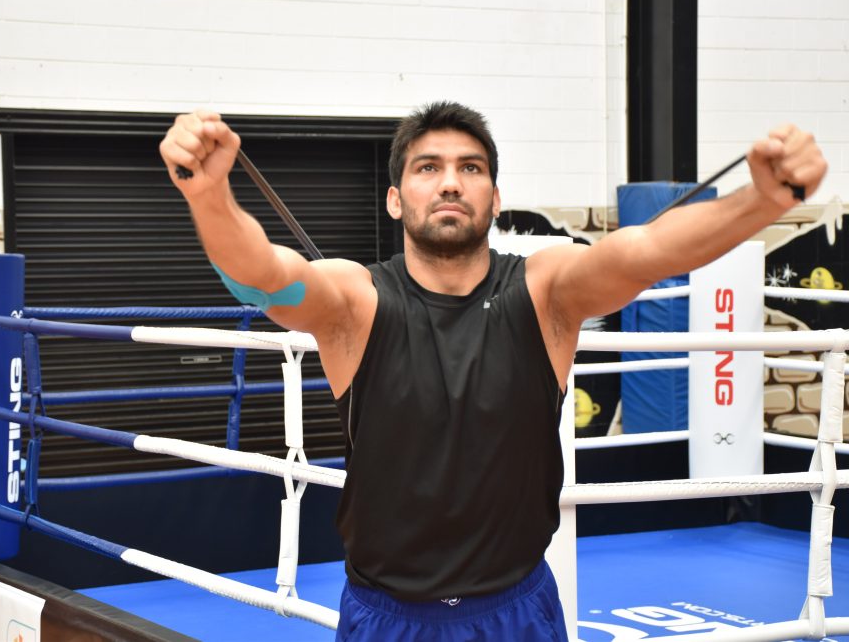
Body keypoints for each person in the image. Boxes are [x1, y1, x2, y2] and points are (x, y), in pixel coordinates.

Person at [159, 102, 828, 641]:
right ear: (395, 199)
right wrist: (209, 194)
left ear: (495, 196)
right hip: (388, 618)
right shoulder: (355, 303)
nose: (450, 181)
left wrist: (763, 198)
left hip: (516, 613)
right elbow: (265, 277)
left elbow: (646, 250)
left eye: (470, 167)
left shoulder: (545, 292)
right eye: (428, 167)